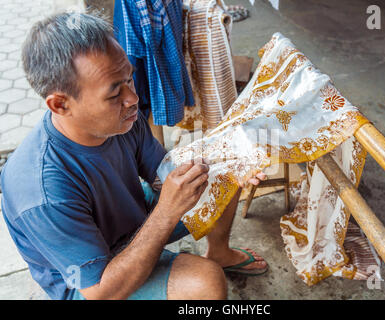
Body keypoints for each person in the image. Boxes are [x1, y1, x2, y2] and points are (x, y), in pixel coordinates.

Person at [0, 12, 267, 300]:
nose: (133, 99)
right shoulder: (41, 190)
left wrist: (224, 164)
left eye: (129, 79)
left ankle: (220, 252)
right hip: (93, 285)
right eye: (114, 93)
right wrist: (165, 213)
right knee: (205, 285)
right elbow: (100, 292)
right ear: (60, 105)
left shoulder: (122, 117)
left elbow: (162, 169)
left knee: (223, 172)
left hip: (129, 223)